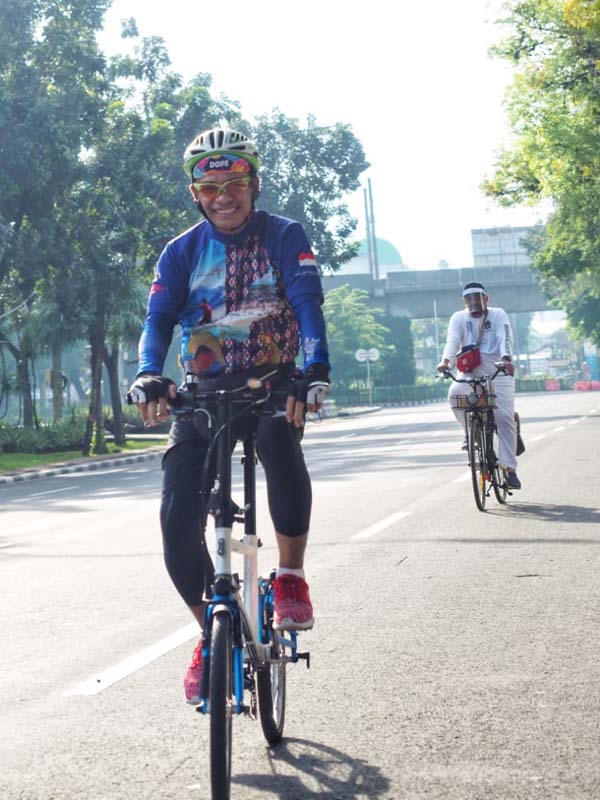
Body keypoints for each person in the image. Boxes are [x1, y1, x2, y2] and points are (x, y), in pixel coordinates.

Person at [127, 126, 330, 703]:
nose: (224, 196)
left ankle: (290, 576)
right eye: (210, 187)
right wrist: (148, 372)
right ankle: (209, 636)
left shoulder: (285, 236)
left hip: (273, 382)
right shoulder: (181, 251)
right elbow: (158, 321)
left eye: (235, 183)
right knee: (175, 520)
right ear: (195, 193)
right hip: (203, 391)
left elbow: (307, 305)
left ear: (254, 184)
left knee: (279, 442)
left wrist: (314, 369)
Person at [437, 281, 521, 490]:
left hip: (498, 372)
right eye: (469, 298)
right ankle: (470, 433)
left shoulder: (498, 315)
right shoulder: (458, 318)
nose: (474, 301)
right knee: (455, 395)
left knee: (504, 419)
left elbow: (505, 337)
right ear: (464, 301)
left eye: (478, 297)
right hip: (469, 372)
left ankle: (509, 470)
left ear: (486, 298)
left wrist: (506, 358)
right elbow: (452, 341)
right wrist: (445, 361)